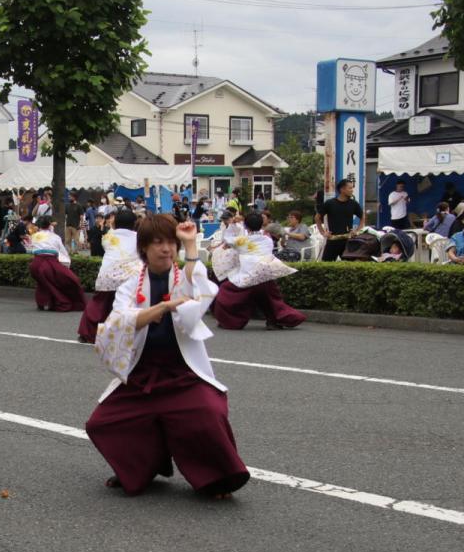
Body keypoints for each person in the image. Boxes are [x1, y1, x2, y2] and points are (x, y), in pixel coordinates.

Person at [88, 214, 250, 499]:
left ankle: (217, 479)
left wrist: (190, 244)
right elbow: (118, 322)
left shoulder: (183, 276)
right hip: (142, 375)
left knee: (208, 414)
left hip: (183, 373)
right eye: (158, 243)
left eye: (171, 243)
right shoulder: (130, 285)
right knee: (102, 423)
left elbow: (201, 291)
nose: (166, 249)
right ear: (144, 248)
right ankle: (144, 466)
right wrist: (162, 308)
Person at [213, 212, 306, 331]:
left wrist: (232, 224)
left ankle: (232, 321)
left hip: (248, 277)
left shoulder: (241, 241)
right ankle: (273, 322)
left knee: (225, 291)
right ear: (262, 224)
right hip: (266, 275)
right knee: (271, 299)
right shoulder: (267, 239)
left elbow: (227, 238)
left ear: (246, 226)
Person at [78, 208, 139, 343]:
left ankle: (87, 333)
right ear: (134, 223)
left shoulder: (108, 237)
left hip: (107, 276)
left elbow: (107, 246)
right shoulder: (139, 237)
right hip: (131, 278)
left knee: (99, 304)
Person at [28, 216, 85, 312]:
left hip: (35, 264)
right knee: (71, 280)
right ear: (50, 225)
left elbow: (32, 249)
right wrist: (66, 264)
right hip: (49, 262)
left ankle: (42, 303)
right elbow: (63, 252)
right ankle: (61, 301)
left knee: (42, 283)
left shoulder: (34, 236)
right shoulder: (55, 237)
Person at [316, 178, 363, 261]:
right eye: (350, 188)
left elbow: (363, 217)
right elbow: (317, 217)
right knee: (326, 265)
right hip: (333, 240)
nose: (352, 190)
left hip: (348, 240)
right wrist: (323, 232)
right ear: (342, 189)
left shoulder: (353, 203)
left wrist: (357, 231)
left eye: (352, 188)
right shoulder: (330, 203)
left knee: (350, 266)